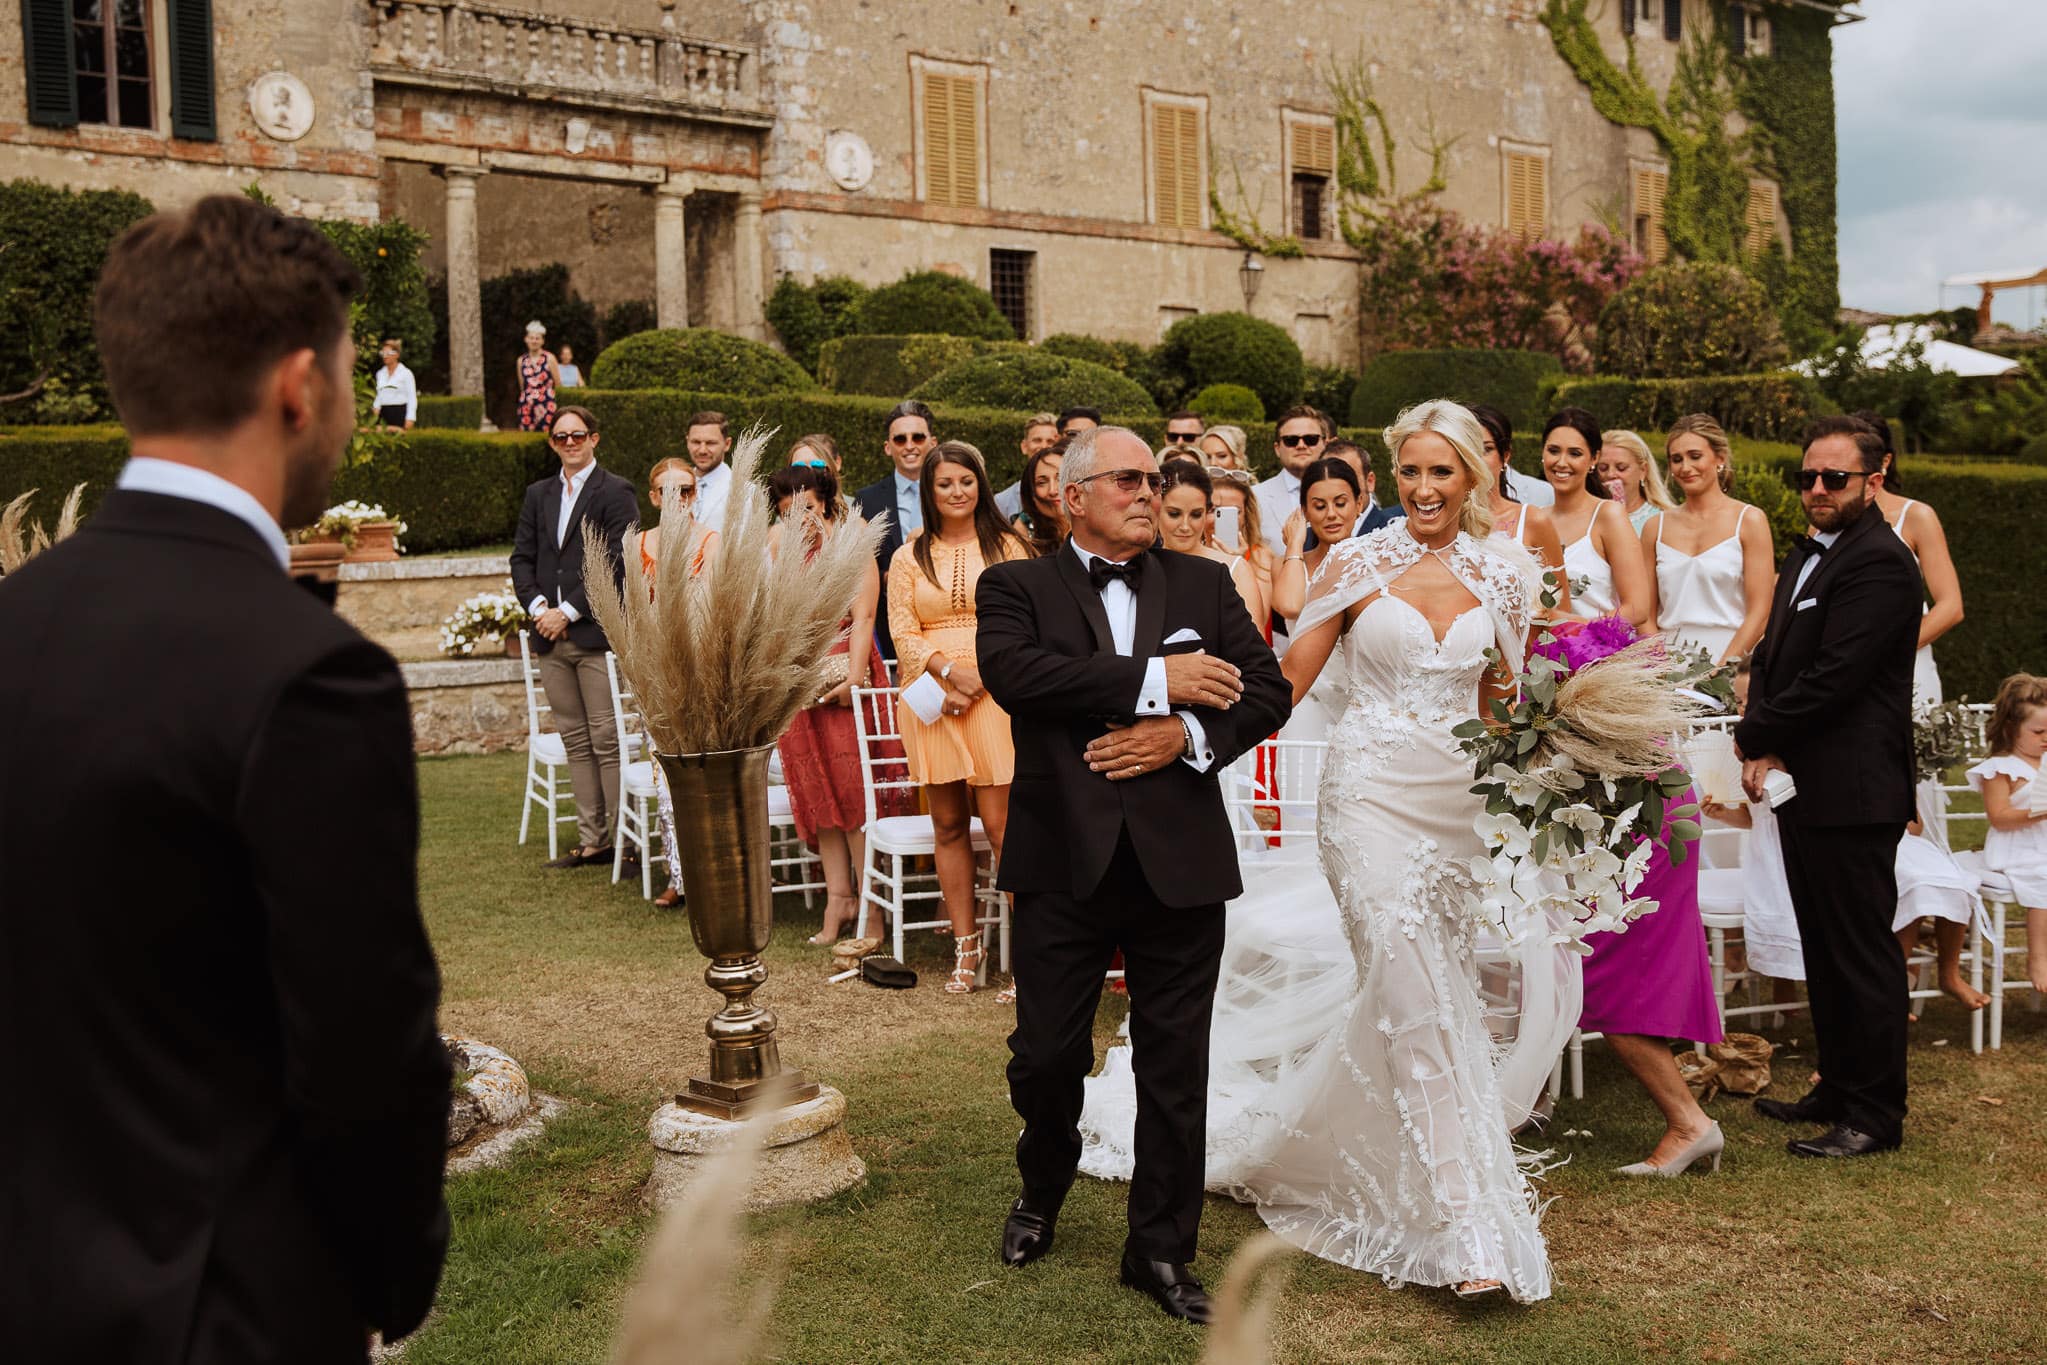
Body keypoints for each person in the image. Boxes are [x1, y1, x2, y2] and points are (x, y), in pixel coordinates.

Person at [0, 193, 450, 1358]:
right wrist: (390, 1282)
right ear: (300, 387)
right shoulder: (309, 675)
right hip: (222, 1311)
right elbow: (364, 1055)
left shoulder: (15, 619)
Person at [1079, 399, 1579, 1302]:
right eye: (1413, 472)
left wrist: (1572, 763)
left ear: (1473, 478)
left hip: (1459, 810)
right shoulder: (1357, 560)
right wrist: (1183, 734)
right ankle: (1466, 1224)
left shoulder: (1505, 575)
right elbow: (1283, 684)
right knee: (1407, 986)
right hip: (1368, 802)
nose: (1426, 489)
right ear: (1394, 479)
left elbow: (1506, 706)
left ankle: (1360, 1155)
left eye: (1444, 472)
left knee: (1434, 995)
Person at [977, 426, 1290, 1324]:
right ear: (1072, 496)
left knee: (1175, 1063)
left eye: (1154, 478)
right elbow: (1018, 674)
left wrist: (1184, 736)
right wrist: (1161, 680)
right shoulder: (1016, 586)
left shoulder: (1203, 582)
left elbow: (1264, 690)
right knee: (1045, 1056)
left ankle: (1158, 1248)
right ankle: (1042, 1187)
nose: (1149, 491)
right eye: (1129, 479)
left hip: (1178, 860)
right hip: (1059, 860)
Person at [1735, 415, 1922, 1159]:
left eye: (1833, 478)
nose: (1815, 488)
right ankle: (1837, 1086)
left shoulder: (1879, 562)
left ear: (1874, 481)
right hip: (1805, 783)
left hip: (1853, 787)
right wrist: (1768, 735)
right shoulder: (1810, 553)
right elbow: (1780, 661)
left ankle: (1874, 1114)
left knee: (1860, 950)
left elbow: (1835, 679)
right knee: (1823, 942)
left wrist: (1756, 735)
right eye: (1806, 476)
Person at [888, 442, 1034, 992]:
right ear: (928, 491)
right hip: (933, 697)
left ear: (981, 485)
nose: (956, 492)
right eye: (945, 483)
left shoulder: (1010, 546)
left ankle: (1028, 956)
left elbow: (1026, 626)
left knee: (1003, 828)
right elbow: (903, 632)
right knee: (947, 824)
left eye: (966, 481)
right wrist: (945, 675)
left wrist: (984, 677)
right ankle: (966, 950)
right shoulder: (908, 556)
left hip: (997, 694)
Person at [772, 466, 905, 948]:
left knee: (853, 797)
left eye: (806, 509)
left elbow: (866, 613)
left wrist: (853, 676)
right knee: (817, 795)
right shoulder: (787, 552)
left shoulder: (853, 542)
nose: (800, 520)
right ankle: (838, 898)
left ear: (826, 502)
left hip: (846, 672)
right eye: (789, 513)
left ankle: (871, 908)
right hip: (801, 681)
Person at [511, 403, 642, 868]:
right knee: (575, 740)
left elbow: (615, 561)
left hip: (594, 635)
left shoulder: (616, 491)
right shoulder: (538, 494)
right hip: (549, 635)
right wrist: (539, 608)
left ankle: (627, 843)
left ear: (594, 439)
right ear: (552, 443)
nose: (570, 442)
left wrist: (567, 611)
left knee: (607, 739)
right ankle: (594, 840)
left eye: (578, 434)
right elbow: (521, 559)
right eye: (561, 436)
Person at [638, 458, 720, 910]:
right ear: (653, 497)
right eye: (668, 492)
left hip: (702, 672)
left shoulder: (711, 541)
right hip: (657, 675)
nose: (678, 499)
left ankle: (712, 872)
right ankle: (679, 874)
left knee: (705, 774)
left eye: (686, 490)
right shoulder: (638, 545)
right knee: (665, 777)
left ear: (696, 493)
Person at [1851, 409, 1963, 710]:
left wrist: (1888, 651)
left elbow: (1951, 606)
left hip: (1905, 669)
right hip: (1841, 671)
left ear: (1885, 461)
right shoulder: (1824, 523)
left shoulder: (1917, 517)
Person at [1642, 414, 1773, 664]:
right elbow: (1645, 614)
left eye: (1695, 456)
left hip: (1731, 661)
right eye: (1676, 459)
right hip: (1666, 666)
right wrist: (1660, 667)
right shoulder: (1654, 527)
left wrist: (1721, 672)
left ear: (1719, 458)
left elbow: (1760, 612)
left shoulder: (1750, 520)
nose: (1685, 467)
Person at [1267, 459, 1362, 743]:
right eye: (1319, 506)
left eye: (1341, 503)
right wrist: (1295, 544)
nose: (1331, 514)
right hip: (1307, 695)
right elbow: (1290, 606)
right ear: (1305, 511)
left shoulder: (1378, 565)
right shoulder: (1286, 563)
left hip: (1360, 700)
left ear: (1359, 503)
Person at [1968, 674, 2047, 994]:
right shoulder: (2002, 768)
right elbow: (1999, 817)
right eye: (2039, 732)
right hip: (2017, 849)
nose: (2046, 739)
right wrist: (2040, 811)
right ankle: (2038, 957)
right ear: (2012, 728)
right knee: (2045, 875)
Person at [1541, 408, 1653, 627]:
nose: (1562, 462)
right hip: (1540, 655)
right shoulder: (1536, 518)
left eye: (1575, 453)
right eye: (1554, 451)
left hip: (1598, 653)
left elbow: (1638, 609)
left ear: (1594, 458)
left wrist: (1576, 626)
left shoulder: (1608, 515)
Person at [854, 399, 936, 662]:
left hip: (943, 620)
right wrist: (885, 576)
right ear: (888, 448)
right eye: (900, 439)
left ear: (932, 443)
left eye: (918, 437)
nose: (910, 445)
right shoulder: (867, 500)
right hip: (888, 625)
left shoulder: (953, 492)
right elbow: (855, 566)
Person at [1470, 404, 1570, 613]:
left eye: (1486, 449)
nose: (1476, 460)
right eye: (1468, 449)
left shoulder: (1534, 520)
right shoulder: (1444, 524)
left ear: (1505, 455)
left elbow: (1561, 611)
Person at [1157, 460, 1264, 625]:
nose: (1185, 526)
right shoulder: (1138, 563)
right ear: (1156, 509)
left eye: (1196, 514)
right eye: (1174, 514)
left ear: (1207, 511)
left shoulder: (1234, 568)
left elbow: (1254, 644)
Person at [1251, 404, 1333, 559]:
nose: (1301, 446)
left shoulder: (1348, 493)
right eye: (1291, 440)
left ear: (1325, 444)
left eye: (1310, 439)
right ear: (1277, 448)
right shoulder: (1255, 497)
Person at [1204, 463, 1272, 630]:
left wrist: (1238, 566)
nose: (1223, 519)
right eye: (1214, 510)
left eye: (1234, 511)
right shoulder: (1187, 555)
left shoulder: (1260, 557)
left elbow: (1257, 622)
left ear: (1246, 515)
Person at [1597, 429, 1674, 531]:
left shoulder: (1664, 521)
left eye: (1621, 468)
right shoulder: (1586, 518)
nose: (1610, 474)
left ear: (1643, 470)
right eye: (1603, 468)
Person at [1323, 437, 1403, 535]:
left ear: (1369, 481)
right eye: (1327, 478)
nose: (1337, 487)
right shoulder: (1304, 538)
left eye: (1347, 477)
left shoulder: (1395, 532)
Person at [995, 412, 1060, 519]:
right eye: (1037, 440)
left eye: (1050, 441)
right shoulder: (1002, 501)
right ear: (1024, 446)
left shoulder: (1073, 494)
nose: (1044, 446)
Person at [1014, 437, 1068, 556]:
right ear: (1030, 492)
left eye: (1060, 478)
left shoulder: (1098, 524)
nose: (1053, 490)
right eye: (1041, 483)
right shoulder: (1023, 532)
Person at [685, 409, 736, 532]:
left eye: (710, 443)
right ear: (687, 442)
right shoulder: (673, 485)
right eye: (696, 442)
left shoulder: (746, 490)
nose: (702, 450)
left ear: (727, 444)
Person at [516, 319, 560, 431]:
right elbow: (522, 385)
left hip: (547, 403)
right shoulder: (521, 361)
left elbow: (558, 384)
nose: (534, 341)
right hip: (527, 405)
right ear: (526, 339)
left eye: (537, 338)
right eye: (531, 338)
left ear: (542, 341)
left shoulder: (550, 358)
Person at [373, 337, 416, 430]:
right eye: (383, 353)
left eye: (388, 353)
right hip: (383, 413)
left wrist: (410, 418)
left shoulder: (406, 373)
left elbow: (412, 397)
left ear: (397, 355)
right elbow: (379, 394)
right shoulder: (380, 373)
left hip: (399, 412)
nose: (385, 356)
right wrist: (376, 407)